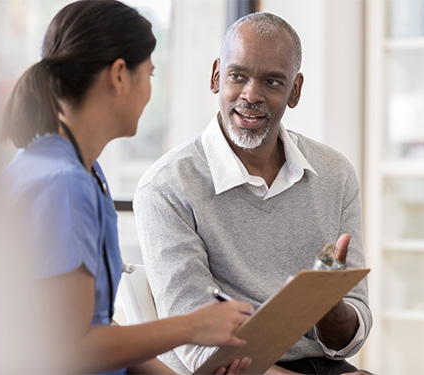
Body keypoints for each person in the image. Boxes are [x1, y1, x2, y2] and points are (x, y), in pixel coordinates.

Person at [0, 1, 254, 374]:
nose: (151, 90)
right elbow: (72, 349)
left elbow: (95, 330)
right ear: (119, 75)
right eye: (149, 74)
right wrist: (193, 326)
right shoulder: (61, 186)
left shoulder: (81, 170)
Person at [134, 11, 372, 375]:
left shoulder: (334, 173)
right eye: (237, 76)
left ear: (295, 90)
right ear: (217, 76)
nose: (251, 95)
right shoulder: (167, 187)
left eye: (273, 82)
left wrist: (329, 309)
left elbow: (351, 333)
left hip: (321, 365)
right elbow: (201, 347)